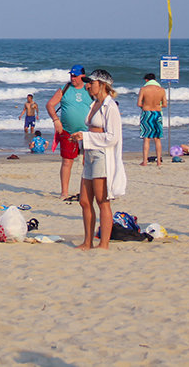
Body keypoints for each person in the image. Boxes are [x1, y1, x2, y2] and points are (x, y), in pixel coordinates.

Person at [71, 69, 127, 250]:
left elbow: (112, 137)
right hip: (90, 154)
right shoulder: (94, 104)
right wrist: (82, 139)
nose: (88, 86)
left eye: (91, 83)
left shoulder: (110, 107)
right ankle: (87, 241)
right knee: (84, 201)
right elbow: (93, 130)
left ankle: (103, 244)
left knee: (102, 201)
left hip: (102, 155)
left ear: (102, 85)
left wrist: (86, 137)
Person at [47, 65, 91, 199]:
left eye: (75, 76)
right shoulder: (65, 89)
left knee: (87, 162)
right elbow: (50, 105)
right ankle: (64, 192)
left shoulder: (89, 88)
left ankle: (87, 191)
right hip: (67, 131)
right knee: (67, 161)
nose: (72, 78)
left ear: (82, 76)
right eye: (71, 75)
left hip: (87, 132)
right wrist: (56, 120)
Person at [137, 73, 166, 166]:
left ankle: (145, 161)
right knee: (157, 139)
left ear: (146, 80)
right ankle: (158, 161)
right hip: (157, 113)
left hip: (147, 113)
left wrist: (145, 105)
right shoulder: (162, 90)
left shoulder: (143, 89)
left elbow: (139, 103)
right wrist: (157, 105)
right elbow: (165, 104)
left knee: (146, 138)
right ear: (155, 80)